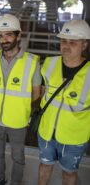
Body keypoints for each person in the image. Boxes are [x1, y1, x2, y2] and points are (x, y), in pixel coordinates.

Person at [0, 14, 41, 185]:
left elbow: (36, 94)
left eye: (9, 35)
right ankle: (0, 178)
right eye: (1, 35)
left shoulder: (32, 62)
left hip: (18, 120)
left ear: (18, 36)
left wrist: (20, 107)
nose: (4, 40)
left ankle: (15, 182)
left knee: (18, 156)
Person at [37, 19, 90, 185]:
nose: (66, 46)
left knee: (69, 174)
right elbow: (42, 92)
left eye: (73, 42)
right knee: (44, 167)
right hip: (46, 132)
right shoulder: (48, 64)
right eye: (63, 41)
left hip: (74, 137)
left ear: (84, 45)